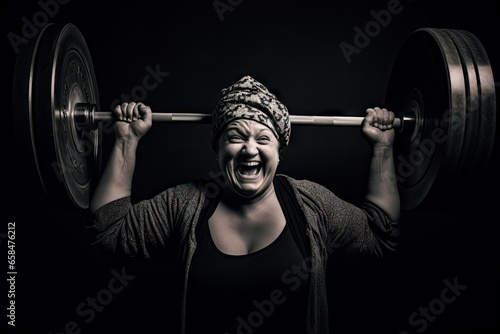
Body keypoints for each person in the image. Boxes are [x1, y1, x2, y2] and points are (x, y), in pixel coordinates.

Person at [88, 75, 400, 334]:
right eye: (235, 136)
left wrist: (383, 150)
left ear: (279, 152)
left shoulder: (310, 203)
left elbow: (379, 234)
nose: (249, 149)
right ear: (218, 149)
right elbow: (110, 231)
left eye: (263, 138)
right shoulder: (185, 204)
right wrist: (126, 140)